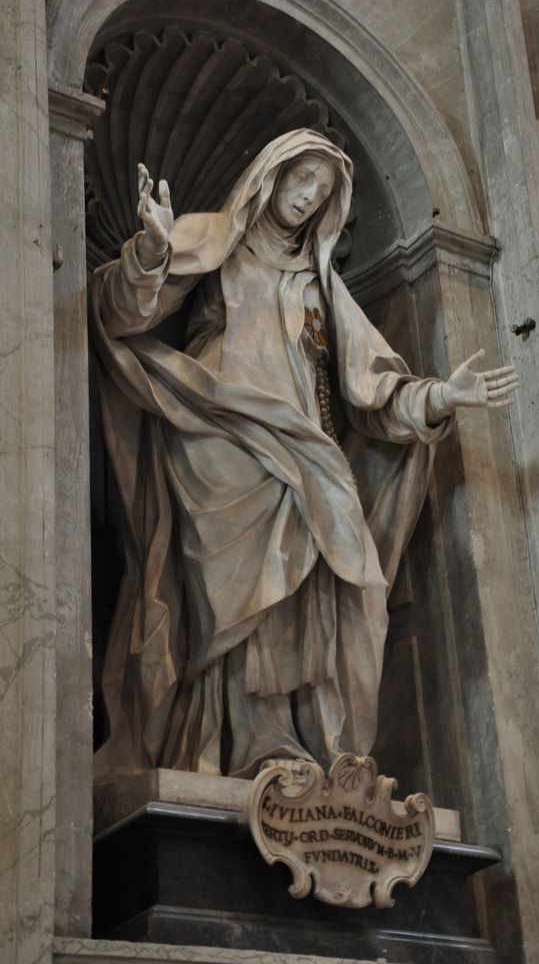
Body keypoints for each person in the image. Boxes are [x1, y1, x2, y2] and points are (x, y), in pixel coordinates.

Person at [91, 129, 517, 782]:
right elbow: (122, 316)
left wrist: (439, 396)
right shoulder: (218, 239)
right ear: (272, 176)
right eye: (301, 179)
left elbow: (373, 387)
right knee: (232, 600)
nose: (307, 195)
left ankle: (282, 744)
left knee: (311, 591)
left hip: (303, 456)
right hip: (222, 442)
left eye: (320, 190)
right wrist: (151, 249)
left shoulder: (319, 281)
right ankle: (211, 749)